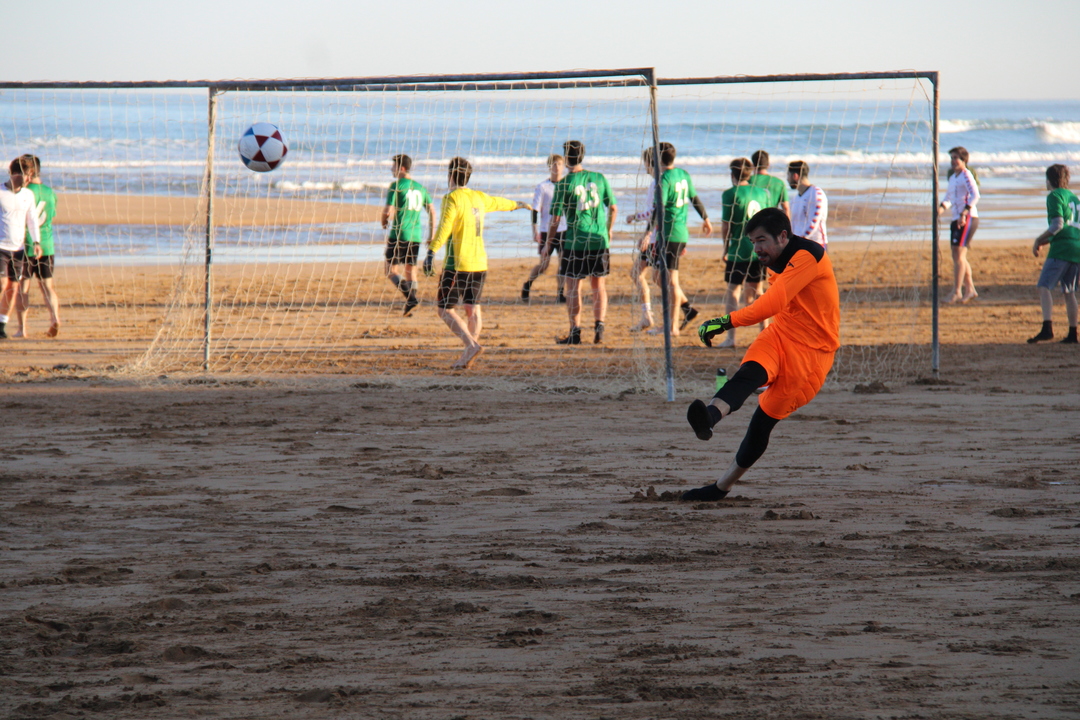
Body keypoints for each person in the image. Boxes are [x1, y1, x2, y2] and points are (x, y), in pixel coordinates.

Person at [681, 207, 840, 501]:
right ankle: (710, 417)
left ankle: (721, 488)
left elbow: (771, 305)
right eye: (753, 242)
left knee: (760, 426)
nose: (756, 249)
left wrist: (724, 321)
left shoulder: (808, 255)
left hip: (811, 356)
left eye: (762, 240)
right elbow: (778, 307)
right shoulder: (774, 259)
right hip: (781, 334)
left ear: (783, 236)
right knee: (748, 374)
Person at [427, 157, 529, 368]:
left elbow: (444, 227)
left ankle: (471, 345)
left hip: (458, 264)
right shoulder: (479, 197)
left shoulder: (451, 198)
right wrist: (518, 204)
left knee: (444, 310)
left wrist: (431, 251)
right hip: (480, 263)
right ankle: (468, 354)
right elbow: (499, 203)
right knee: (473, 309)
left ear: (450, 175)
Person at [626, 143, 712, 333]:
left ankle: (670, 326)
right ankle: (684, 310)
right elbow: (694, 198)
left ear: (656, 160)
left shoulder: (663, 179)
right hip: (676, 232)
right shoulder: (683, 174)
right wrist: (706, 218)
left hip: (666, 234)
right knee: (658, 277)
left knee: (668, 281)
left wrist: (647, 233)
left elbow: (658, 209)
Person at [544, 140, 617, 345]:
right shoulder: (599, 178)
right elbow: (613, 208)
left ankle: (575, 332)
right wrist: (609, 230)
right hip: (598, 239)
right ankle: (599, 326)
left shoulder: (563, 184)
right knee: (598, 285)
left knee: (573, 287)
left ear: (566, 158)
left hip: (575, 242)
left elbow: (555, 219)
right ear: (582, 156)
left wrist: (548, 243)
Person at [718, 157, 770, 348]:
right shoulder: (762, 193)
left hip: (739, 250)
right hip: (760, 250)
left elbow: (726, 226)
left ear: (732, 174)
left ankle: (731, 338)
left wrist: (726, 247)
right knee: (758, 291)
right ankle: (765, 334)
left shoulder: (730, 194)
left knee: (733, 290)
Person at [1028, 164, 1079, 344]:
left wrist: (1038, 239)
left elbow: (1057, 225)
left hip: (1062, 249)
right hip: (1076, 247)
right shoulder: (1074, 198)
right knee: (1069, 291)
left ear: (1049, 180)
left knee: (1044, 286)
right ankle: (1073, 333)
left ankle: (1047, 328)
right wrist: (1045, 241)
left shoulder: (1054, 196)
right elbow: (1069, 228)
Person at [381, 154, 434, 316]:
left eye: (394, 166)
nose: (392, 169)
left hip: (399, 233)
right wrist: (431, 235)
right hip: (415, 235)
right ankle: (410, 305)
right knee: (411, 271)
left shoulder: (396, 186)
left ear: (401, 168)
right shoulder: (420, 188)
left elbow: (388, 210)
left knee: (390, 270)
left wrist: (384, 220)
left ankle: (411, 299)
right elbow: (432, 211)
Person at [14, 155, 60, 338]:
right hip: (47, 245)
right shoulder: (50, 192)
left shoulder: (24, 192)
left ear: (29, 172)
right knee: (47, 286)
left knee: (23, 288)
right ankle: (55, 317)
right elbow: (51, 216)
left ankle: (22, 329)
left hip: (26, 244)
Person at [0, 157, 42, 340]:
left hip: (18, 248)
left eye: (31, 176)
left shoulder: (28, 195)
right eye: (27, 175)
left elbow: (32, 220)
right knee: (1, 284)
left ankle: (1, 325)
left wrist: (36, 242)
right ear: (15, 173)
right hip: (1, 246)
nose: (29, 179)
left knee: (13, 287)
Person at [521, 154, 567, 304]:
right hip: (547, 230)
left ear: (563, 166)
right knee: (544, 264)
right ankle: (528, 284)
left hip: (564, 229)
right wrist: (535, 231)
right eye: (554, 164)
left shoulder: (567, 185)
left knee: (563, 263)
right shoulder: (542, 187)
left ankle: (560, 293)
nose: (557, 167)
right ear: (549, 167)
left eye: (559, 164)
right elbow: (535, 210)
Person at [938, 146, 980, 303]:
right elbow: (949, 198)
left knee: (959, 254)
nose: (953, 161)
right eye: (952, 158)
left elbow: (975, 195)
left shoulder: (966, 175)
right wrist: (941, 209)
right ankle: (970, 289)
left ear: (964, 160)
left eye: (956, 158)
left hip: (967, 218)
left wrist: (964, 212)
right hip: (956, 218)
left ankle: (957, 291)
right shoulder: (953, 178)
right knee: (958, 255)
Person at [787, 160, 828, 248]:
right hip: (798, 245)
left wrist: (799, 241)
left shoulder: (816, 193)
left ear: (795, 176)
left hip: (816, 245)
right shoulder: (795, 199)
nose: (787, 179)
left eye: (788, 175)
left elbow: (813, 222)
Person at [749, 150, 790, 217]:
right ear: (768, 165)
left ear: (752, 165)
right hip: (772, 220)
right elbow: (786, 208)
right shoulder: (779, 183)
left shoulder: (747, 181)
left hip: (752, 220)